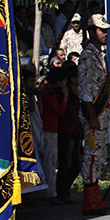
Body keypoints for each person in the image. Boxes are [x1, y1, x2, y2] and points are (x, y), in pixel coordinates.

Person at [78, 15, 110, 216]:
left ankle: (96, 198)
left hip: (102, 113)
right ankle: (90, 201)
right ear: (91, 32)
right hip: (93, 113)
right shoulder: (86, 56)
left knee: (99, 155)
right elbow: (84, 89)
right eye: (101, 30)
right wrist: (92, 116)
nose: (105, 34)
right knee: (91, 155)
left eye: (106, 30)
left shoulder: (99, 54)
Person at [38, 65, 68, 203]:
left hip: (52, 129)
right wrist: (65, 96)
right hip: (49, 130)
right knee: (50, 162)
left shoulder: (51, 93)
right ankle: (49, 193)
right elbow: (59, 110)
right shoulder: (49, 94)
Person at [56, 61, 81, 204]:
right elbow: (63, 112)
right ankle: (62, 193)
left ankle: (66, 190)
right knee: (66, 164)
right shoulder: (64, 93)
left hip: (76, 131)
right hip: (65, 131)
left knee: (76, 164)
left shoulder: (79, 92)